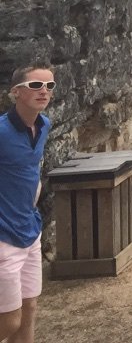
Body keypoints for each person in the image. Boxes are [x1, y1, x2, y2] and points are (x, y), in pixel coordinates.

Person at [0, 65, 52, 343]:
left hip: (30, 230)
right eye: (35, 85)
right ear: (16, 92)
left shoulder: (44, 125)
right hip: (4, 237)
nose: (44, 91)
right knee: (9, 321)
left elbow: (32, 171)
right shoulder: (1, 132)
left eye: (49, 86)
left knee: (29, 309)